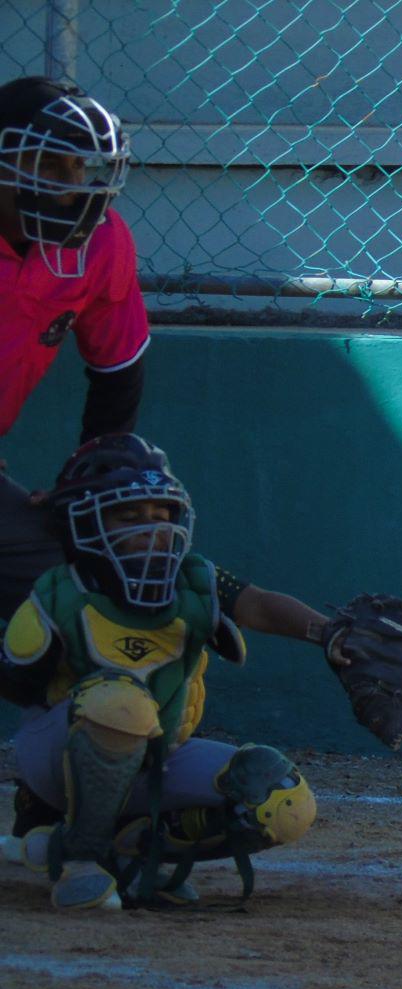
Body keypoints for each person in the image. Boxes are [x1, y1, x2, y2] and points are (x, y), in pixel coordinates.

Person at [0, 434, 341, 910]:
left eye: (160, 516)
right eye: (129, 516)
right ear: (84, 520)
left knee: (279, 800)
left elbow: (259, 606)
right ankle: (80, 859)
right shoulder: (61, 591)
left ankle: (132, 853)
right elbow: (17, 683)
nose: (152, 529)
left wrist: (330, 634)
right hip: (60, 753)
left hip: (160, 756)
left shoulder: (195, 579)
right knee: (120, 702)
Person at [0, 76, 148, 620]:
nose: (75, 186)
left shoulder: (103, 243)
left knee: (90, 589)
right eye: (52, 166)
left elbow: (118, 371)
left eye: (82, 168)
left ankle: (80, 707)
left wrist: (85, 483)